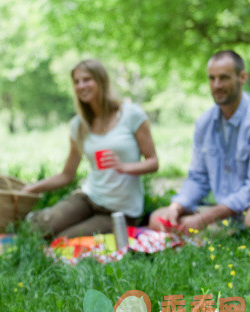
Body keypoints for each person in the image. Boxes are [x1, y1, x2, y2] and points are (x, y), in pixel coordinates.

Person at [23, 59, 159, 238]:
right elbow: (67, 175)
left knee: (64, 240)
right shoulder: (78, 125)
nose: (81, 86)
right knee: (41, 228)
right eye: (77, 82)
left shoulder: (131, 115)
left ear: (101, 81)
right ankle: (38, 218)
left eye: (87, 79)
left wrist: (125, 167)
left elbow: (153, 162)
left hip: (120, 211)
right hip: (89, 197)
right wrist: (31, 189)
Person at [149, 50, 250, 234]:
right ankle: (219, 232)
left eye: (224, 78)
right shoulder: (205, 123)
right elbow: (198, 178)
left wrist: (205, 218)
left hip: (244, 208)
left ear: (242, 77)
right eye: (212, 78)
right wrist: (176, 207)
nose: (216, 85)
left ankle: (214, 232)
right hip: (219, 211)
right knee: (158, 217)